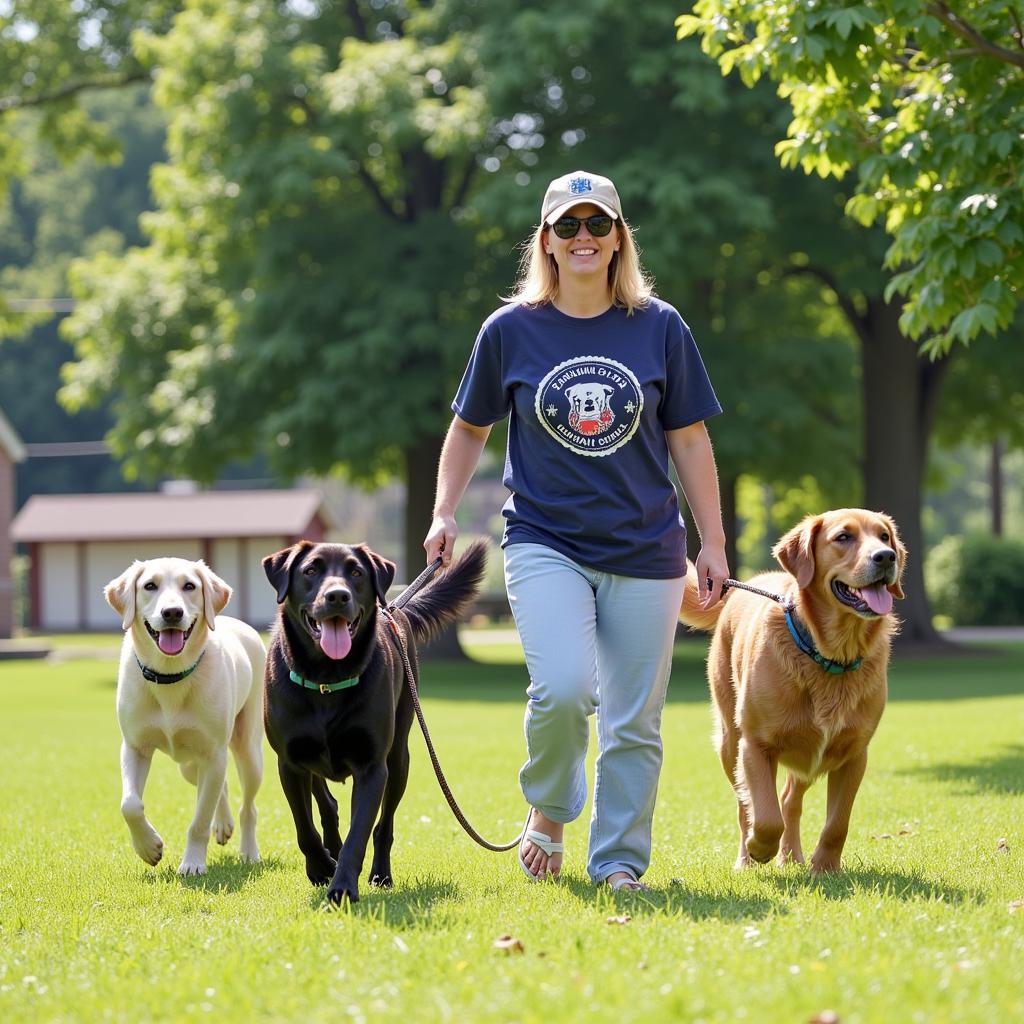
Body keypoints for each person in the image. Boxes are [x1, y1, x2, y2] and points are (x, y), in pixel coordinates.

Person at [423, 169, 728, 891]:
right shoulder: (510, 330)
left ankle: (619, 863)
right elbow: (468, 428)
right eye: (569, 226)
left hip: (648, 549)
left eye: (598, 224)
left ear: (620, 239)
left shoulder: (660, 326)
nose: (584, 237)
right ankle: (551, 810)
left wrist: (711, 540)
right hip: (544, 540)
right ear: (548, 242)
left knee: (634, 721)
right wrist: (442, 511)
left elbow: (688, 439)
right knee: (561, 689)